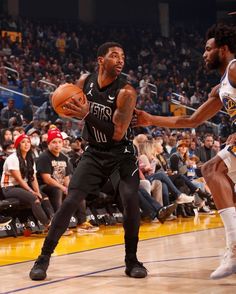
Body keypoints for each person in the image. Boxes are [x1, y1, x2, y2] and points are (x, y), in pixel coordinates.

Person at [29, 42, 153, 280]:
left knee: (130, 200)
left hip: (122, 154)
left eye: (123, 56)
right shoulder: (84, 83)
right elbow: (67, 107)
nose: (120, 60)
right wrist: (64, 106)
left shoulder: (126, 92)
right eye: (114, 56)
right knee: (71, 200)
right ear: (100, 60)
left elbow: (117, 133)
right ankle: (42, 259)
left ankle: (132, 261)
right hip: (94, 152)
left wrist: (86, 114)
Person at [134, 23, 236, 279]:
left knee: (211, 168)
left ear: (223, 49)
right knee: (214, 172)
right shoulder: (223, 86)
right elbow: (189, 121)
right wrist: (150, 118)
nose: (204, 53)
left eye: (208, 48)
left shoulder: (235, 68)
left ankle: (234, 248)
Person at [1, 134, 54, 234]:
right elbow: (20, 179)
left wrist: (37, 191)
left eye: (28, 142)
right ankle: (49, 226)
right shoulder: (13, 158)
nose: (26, 144)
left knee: (44, 196)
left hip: (22, 187)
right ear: (18, 145)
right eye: (23, 142)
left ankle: (54, 221)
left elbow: (32, 178)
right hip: (9, 188)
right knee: (34, 199)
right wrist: (32, 192)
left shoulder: (30, 159)